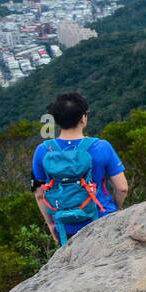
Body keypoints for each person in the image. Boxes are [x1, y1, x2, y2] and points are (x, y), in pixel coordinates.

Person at [32, 92, 128, 244]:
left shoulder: (42, 151)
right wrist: (114, 209)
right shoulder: (101, 147)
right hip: (102, 221)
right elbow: (122, 188)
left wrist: (51, 224)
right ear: (83, 118)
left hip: (66, 227)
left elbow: (39, 194)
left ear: (56, 120)